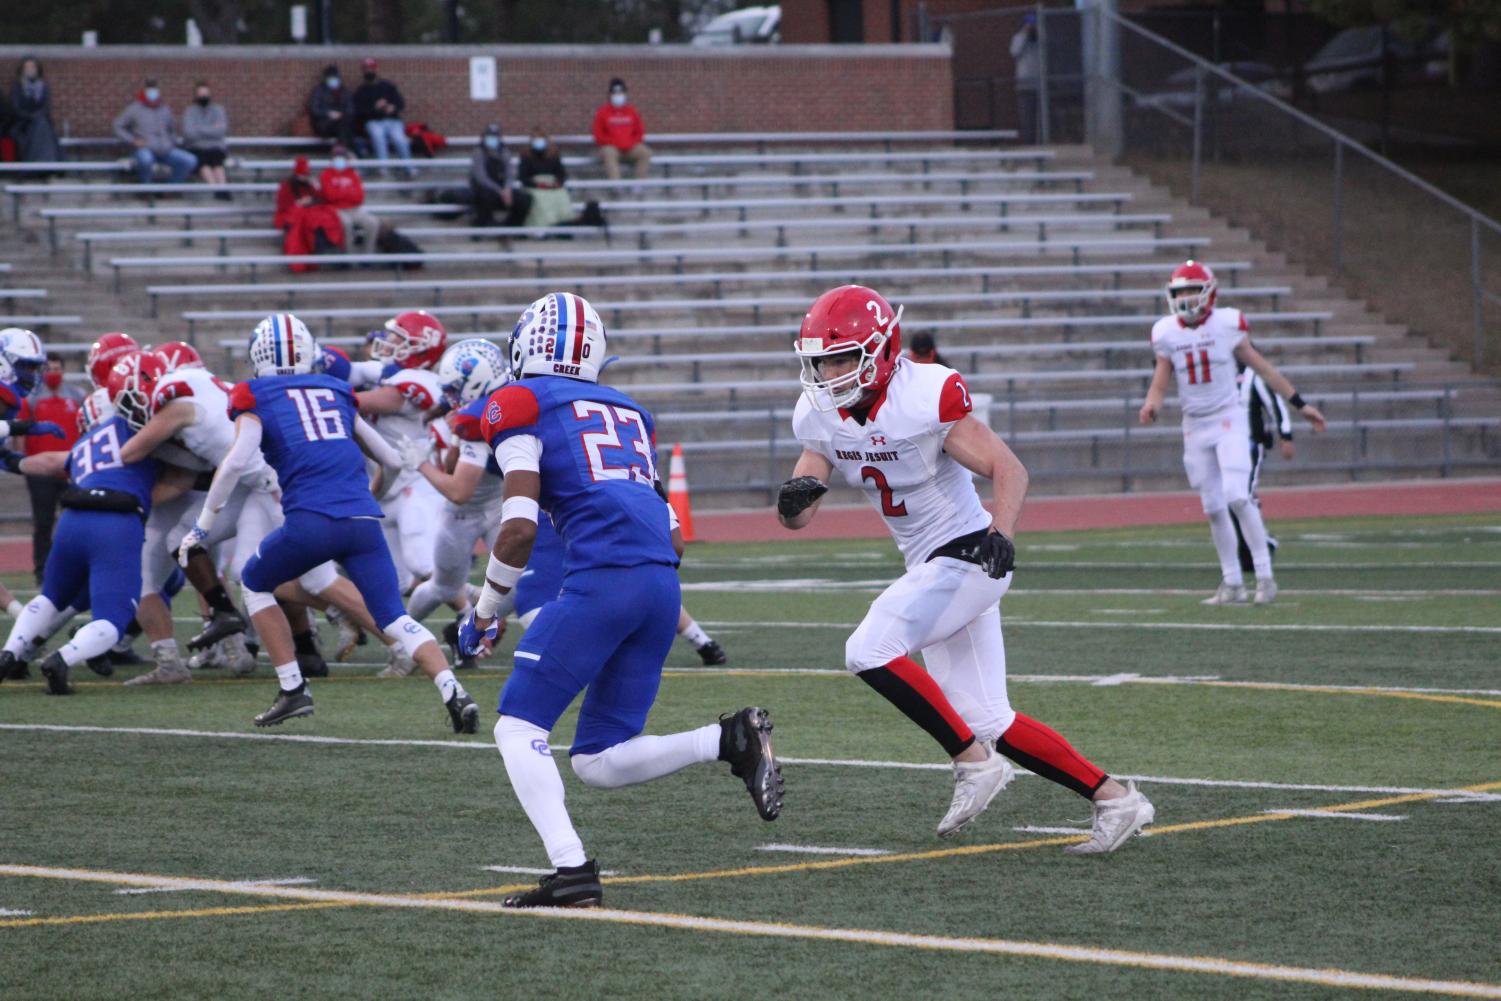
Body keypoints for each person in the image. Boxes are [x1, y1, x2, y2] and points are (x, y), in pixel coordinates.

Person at [779, 284, 1155, 854]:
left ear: (880, 352)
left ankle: (974, 766)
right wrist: (791, 503)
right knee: (986, 716)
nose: (828, 373)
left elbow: (1010, 468)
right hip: (928, 563)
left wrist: (1002, 534)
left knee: (868, 648)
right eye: (821, 361)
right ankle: (1115, 801)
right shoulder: (820, 414)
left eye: (840, 358)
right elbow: (802, 510)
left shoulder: (924, 395)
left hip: (970, 551)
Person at [456, 292, 783, 908]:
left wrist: (483, 612)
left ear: (526, 346)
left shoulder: (517, 400)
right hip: (661, 585)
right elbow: (674, 535)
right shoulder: (632, 411)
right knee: (598, 758)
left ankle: (572, 871)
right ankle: (728, 740)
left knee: (518, 725)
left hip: (604, 578)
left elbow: (519, 524)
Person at [180, 314, 477, 731]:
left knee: (254, 581)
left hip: (311, 519)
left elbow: (234, 463)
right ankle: (453, 691)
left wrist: (203, 526)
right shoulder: (335, 389)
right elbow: (390, 460)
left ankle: (292, 688)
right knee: (393, 616)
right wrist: (370, 495)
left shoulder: (254, 393)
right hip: (362, 520)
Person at [1139, 261, 1327, 606]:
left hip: (1229, 419)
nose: (1186, 298)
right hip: (1194, 425)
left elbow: (1264, 368)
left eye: (1193, 290)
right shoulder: (1166, 332)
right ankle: (1232, 583)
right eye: (1180, 292)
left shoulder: (1226, 324)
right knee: (1212, 506)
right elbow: (1161, 379)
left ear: (1209, 292)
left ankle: (1265, 576)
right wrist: (1152, 404)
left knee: (1237, 495)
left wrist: (1300, 405)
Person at [0, 381, 196, 696]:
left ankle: (9, 652)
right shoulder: (144, 429)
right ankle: (62, 659)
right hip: (116, 522)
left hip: (71, 519)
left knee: (50, 598)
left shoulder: (87, 442)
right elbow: (184, 474)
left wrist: (8, 460)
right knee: (113, 618)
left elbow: (49, 463)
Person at [353, 310, 451, 676]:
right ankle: (409, 650)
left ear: (419, 346)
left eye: (398, 337)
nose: (389, 342)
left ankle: (484, 617)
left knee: (425, 567)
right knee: (391, 583)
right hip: (386, 490)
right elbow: (354, 372)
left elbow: (371, 400)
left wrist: (322, 391)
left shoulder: (415, 381)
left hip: (415, 485)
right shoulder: (390, 374)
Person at [23, 356, 82, 582]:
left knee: (74, 523)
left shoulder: (76, 395)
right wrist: (25, 463)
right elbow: (23, 433)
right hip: (41, 471)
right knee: (43, 522)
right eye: (49, 369)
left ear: (63, 370)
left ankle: (72, 570)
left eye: (56, 368)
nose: (53, 372)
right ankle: (42, 570)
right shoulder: (33, 398)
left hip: (70, 470)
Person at [1230, 363, 1293, 575]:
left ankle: (1263, 544)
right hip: (1226, 447)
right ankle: (1248, 553)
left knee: (1242, 497)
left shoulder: (1254, 378)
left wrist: (1286, 435)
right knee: (1230, 499)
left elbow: (1276, 405)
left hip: (1250, 446)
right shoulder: (1222, 375)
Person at [113, 78, 196, 185]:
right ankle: (147, 188)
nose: (152, 93)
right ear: (144, 91)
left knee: (190, 160)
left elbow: (171, 128)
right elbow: (117, 126)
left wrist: (171, 142)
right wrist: (132, 140)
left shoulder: (165, 109)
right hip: (145, 149)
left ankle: (170, 188)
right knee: (146, 160)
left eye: (155, 90)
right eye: (149, 90)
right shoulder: (134, 109)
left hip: (166, 150)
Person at [275, 156, 343, 271]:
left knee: (325, 218)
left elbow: (320, 198)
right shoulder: (287, 187)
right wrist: (299, 204)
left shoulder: (311, 185)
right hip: (295, 215)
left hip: (310, 214)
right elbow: (285, 206)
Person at [352, 58, 414, 175]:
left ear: (376, 69)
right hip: (373, 122)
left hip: (393, 121)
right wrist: (374, 108)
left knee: (400, 139)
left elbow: (400, 103)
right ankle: (383, 167)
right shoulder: (361, 91)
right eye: (366, 68)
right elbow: (358, 112)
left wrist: (392, 107)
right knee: (378, 136)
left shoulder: (387, 86)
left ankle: (409, 168)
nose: (369, 71)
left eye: (371, 68)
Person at [319, 145, 379, 257]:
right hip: (336, 209)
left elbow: (360, 197)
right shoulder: (326, 174)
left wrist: (341, 193)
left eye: (342, 156)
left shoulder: (352, 174)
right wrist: (348, 192)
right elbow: (330, 196)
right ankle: (348, 257)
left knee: (372, 223)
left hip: (354, 209)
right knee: (346, 223)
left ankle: (367, 256)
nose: (339, 159)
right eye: (337, 156)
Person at [469, 124, 530, 228]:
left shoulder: (504, 151)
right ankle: (482, 226)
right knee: (484, 198)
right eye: (490, 136)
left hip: (503, 189)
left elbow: (510, 172)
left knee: (525, 199)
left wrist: (507, 189)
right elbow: (481, 177)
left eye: (495, 136)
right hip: (485, 189)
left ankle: (511, 226)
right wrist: (500, 191)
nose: (492, 139)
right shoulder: (478, 152)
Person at [591, 78, 651, 183]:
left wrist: (629, 143)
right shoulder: (602, 112)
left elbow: (640, 132)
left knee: (645, 152)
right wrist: (614, 143)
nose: (618, 95)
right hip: (612, 149)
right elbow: (598, 135)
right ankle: (616, 185)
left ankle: (639, 185)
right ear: (610, 95)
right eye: (615, 93)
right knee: (608, 153)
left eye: (620, 92)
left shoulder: (632, 111)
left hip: (629, 148)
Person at [181, 80, 230, 198]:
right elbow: (188, 132)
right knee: (203, 164)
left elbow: (221, 130)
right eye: (201, 94)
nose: (203, 96)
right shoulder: (190, 111)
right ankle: (217, 191)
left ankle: (223, 189)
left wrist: (199, 129)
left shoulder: (218, 110)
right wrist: (211, 129)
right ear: (196, 95)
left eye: (206, 93)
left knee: (218, 163)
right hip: (197, 147)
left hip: (215, 147)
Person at [9, 57, 61, 164]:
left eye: (32, 66)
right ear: (22, 69)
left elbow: (46, 107)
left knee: (42, 126)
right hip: (23, 123)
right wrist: (31, 117)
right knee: (39, 126)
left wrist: (37, 117)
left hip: (41, 122)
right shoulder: (17, 86)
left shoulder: (43, 86)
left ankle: (47, 164)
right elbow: (16, 108)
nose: (30, 69)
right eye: (27, 67)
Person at [1009, 14, 1041, 144]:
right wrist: (1025, 35)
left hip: (1039, 83)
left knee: (1040, 117)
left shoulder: (1040, 39)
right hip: (1024, 82)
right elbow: (1014, 52)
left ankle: (1041, 141)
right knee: (1026, 116)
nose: (1032, 27)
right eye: (1030, 25)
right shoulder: (1018, 38)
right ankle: (1028, 141)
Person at [307, 64, 353, 147]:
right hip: (325, 124)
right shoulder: (319, 91)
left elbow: (350, 109)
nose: (333, 80)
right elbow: (314, 109)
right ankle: (350, 153)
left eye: (334, 77)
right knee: (343, 128)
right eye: (330, 77)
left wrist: (340, 115)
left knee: (345, 126)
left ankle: (346, 152)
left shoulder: (344, 91)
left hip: (342, 123)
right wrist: (328, 113)